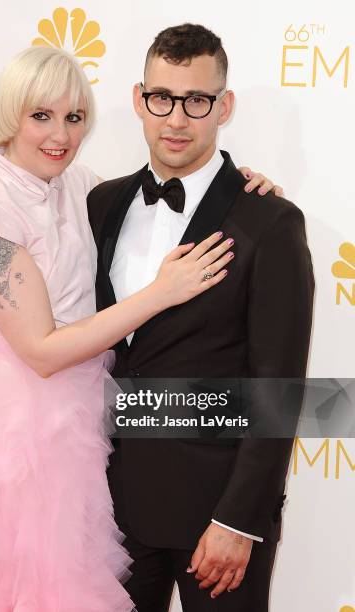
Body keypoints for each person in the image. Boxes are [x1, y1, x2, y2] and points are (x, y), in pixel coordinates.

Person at [0, 45, 276, 611]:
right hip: (6, 439)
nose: (59, 134)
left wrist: (235, 187)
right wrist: (162, 293)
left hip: (87, 434)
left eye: (74, 117)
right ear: (10, 115)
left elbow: (156, 210)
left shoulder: (78, 184)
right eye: (41, 116)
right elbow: (40, 350)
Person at [86, 23, 315, 612]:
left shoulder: (269, 221)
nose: (176, 119)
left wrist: (239, 520)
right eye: (162, 98)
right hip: (106, 512)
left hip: (216, 519)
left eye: (197, 101)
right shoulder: (100, 204)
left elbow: (278, 388)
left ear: (224, 106)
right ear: (140, 100)